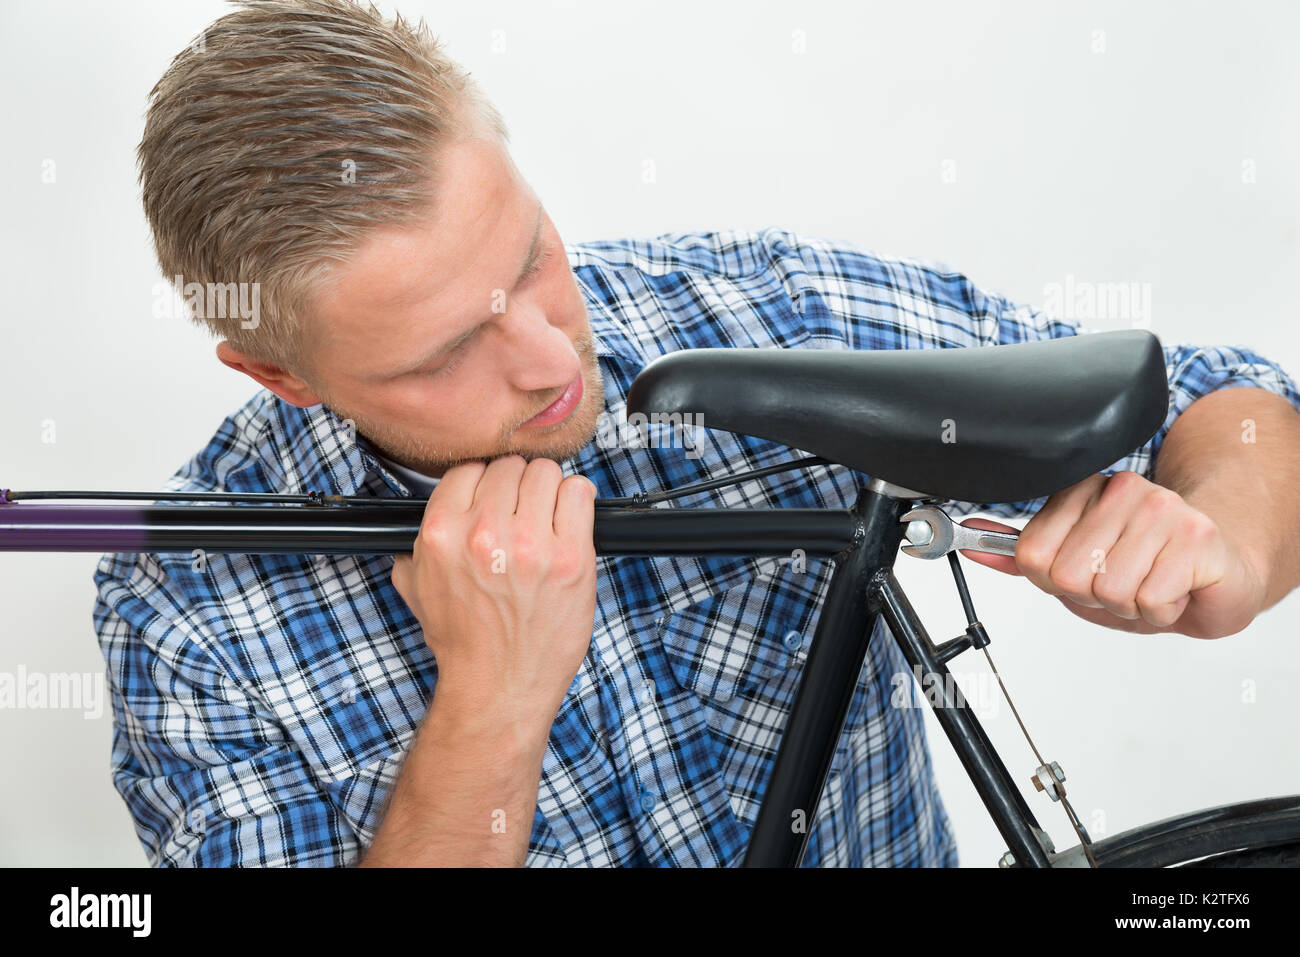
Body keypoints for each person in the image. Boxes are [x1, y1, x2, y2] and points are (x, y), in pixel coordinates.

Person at [94, 0, 1300, 867]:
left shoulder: (748, 311)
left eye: (529, 257)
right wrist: (494, 705)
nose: (549, 359)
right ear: (277, 371)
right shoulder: (187, 615)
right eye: (443, 351)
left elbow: (1230, 399)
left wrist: (1224, 558)